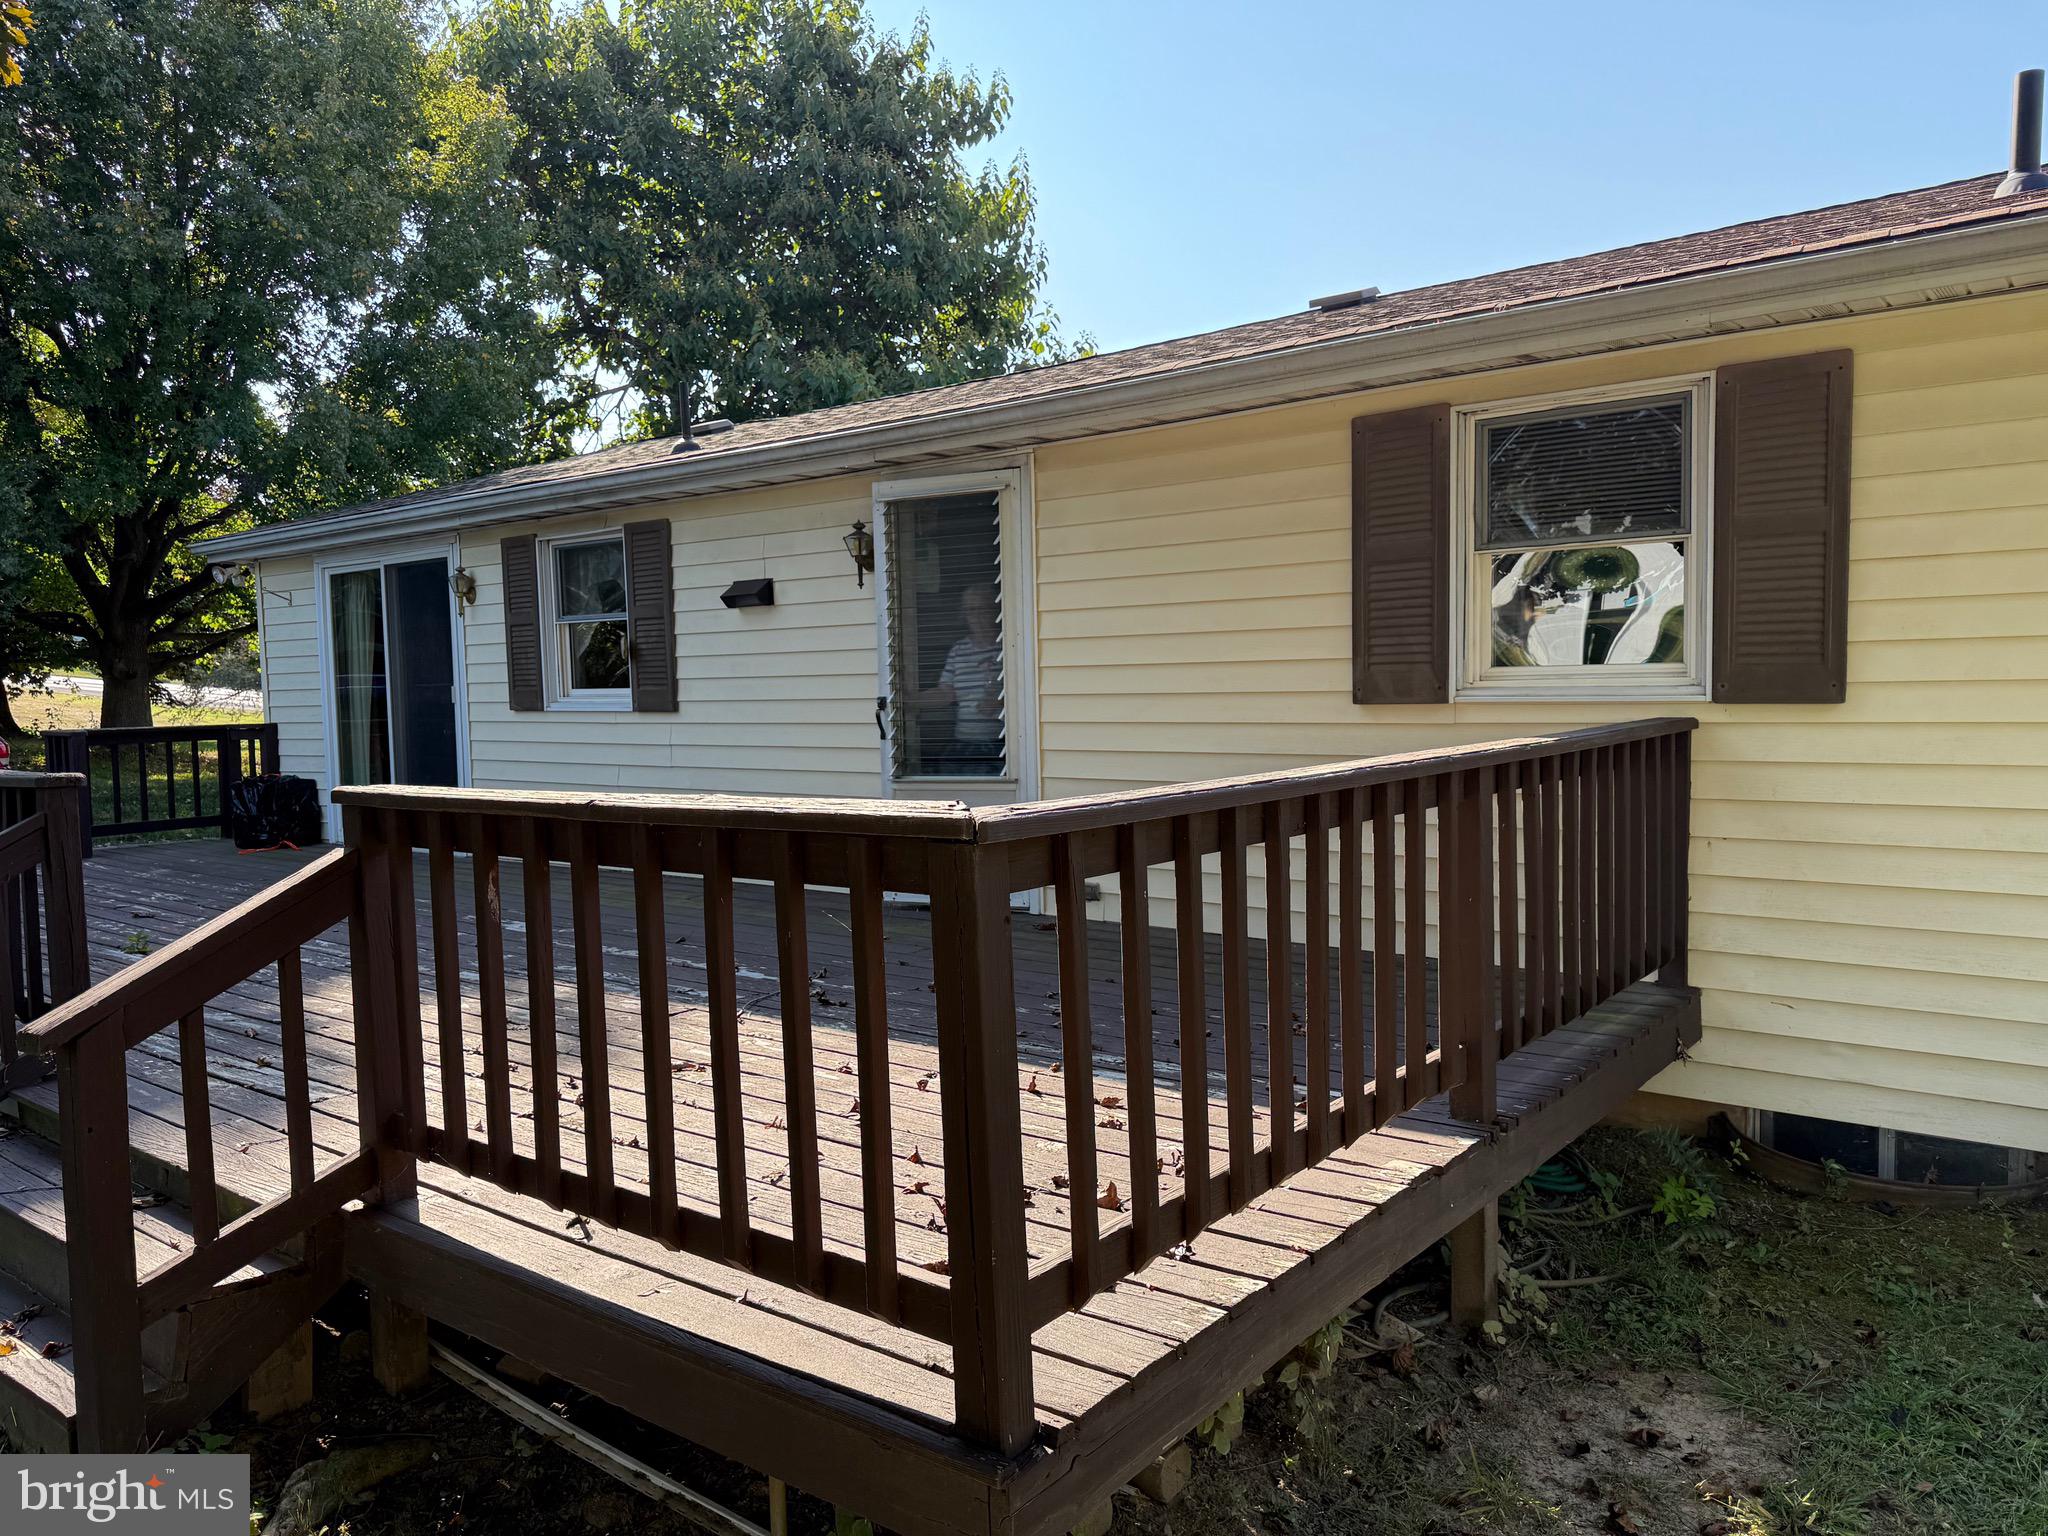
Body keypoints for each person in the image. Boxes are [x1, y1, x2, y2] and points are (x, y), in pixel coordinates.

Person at [915, 584, 1004, 774]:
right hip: (964, 743)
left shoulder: (1008, 646)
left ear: (995, 610)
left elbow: (1027, 687)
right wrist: (909, 700)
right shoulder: (959, 650)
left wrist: (1000, 701)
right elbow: (946, 693)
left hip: (1000, 745)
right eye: (971, 610)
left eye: (983, 608)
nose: (977, 616)